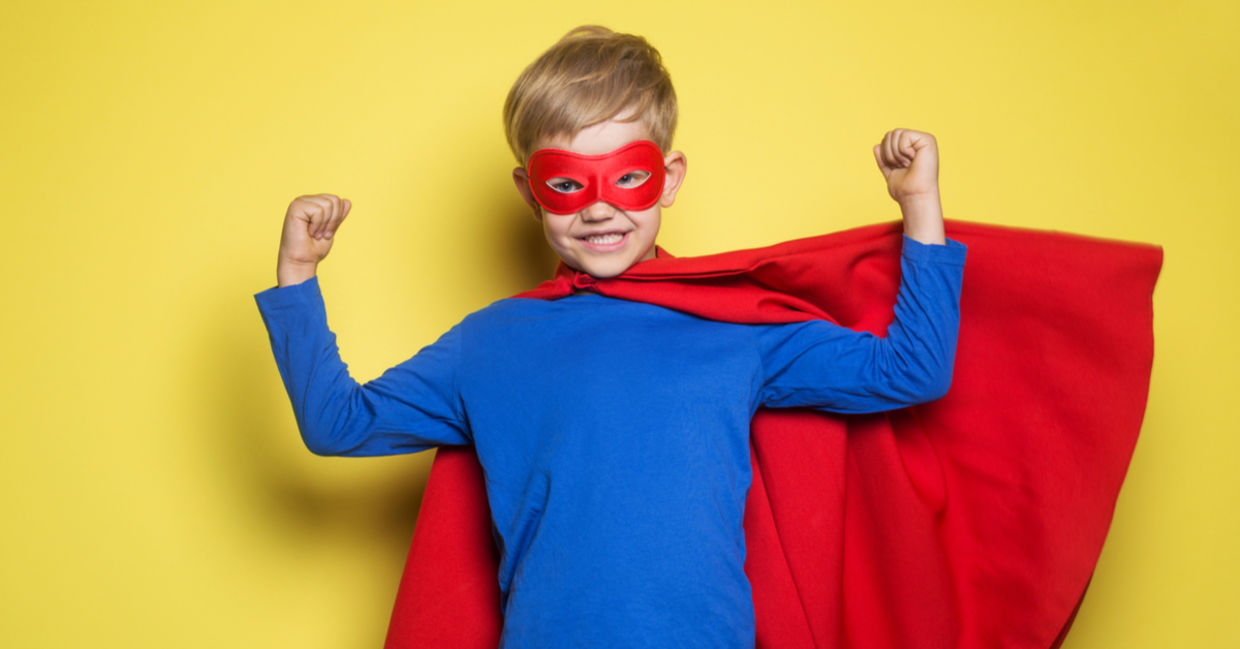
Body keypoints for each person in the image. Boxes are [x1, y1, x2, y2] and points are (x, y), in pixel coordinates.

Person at [255, 25, 966, 648]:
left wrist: (919, 204)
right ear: (528, 191)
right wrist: (297, 277)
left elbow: (911, 371)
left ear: (669, 178)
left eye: (627, 176)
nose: (598, 208)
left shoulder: (735, 326)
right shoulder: (490, 344)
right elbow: (339, 423)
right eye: (567, 184)